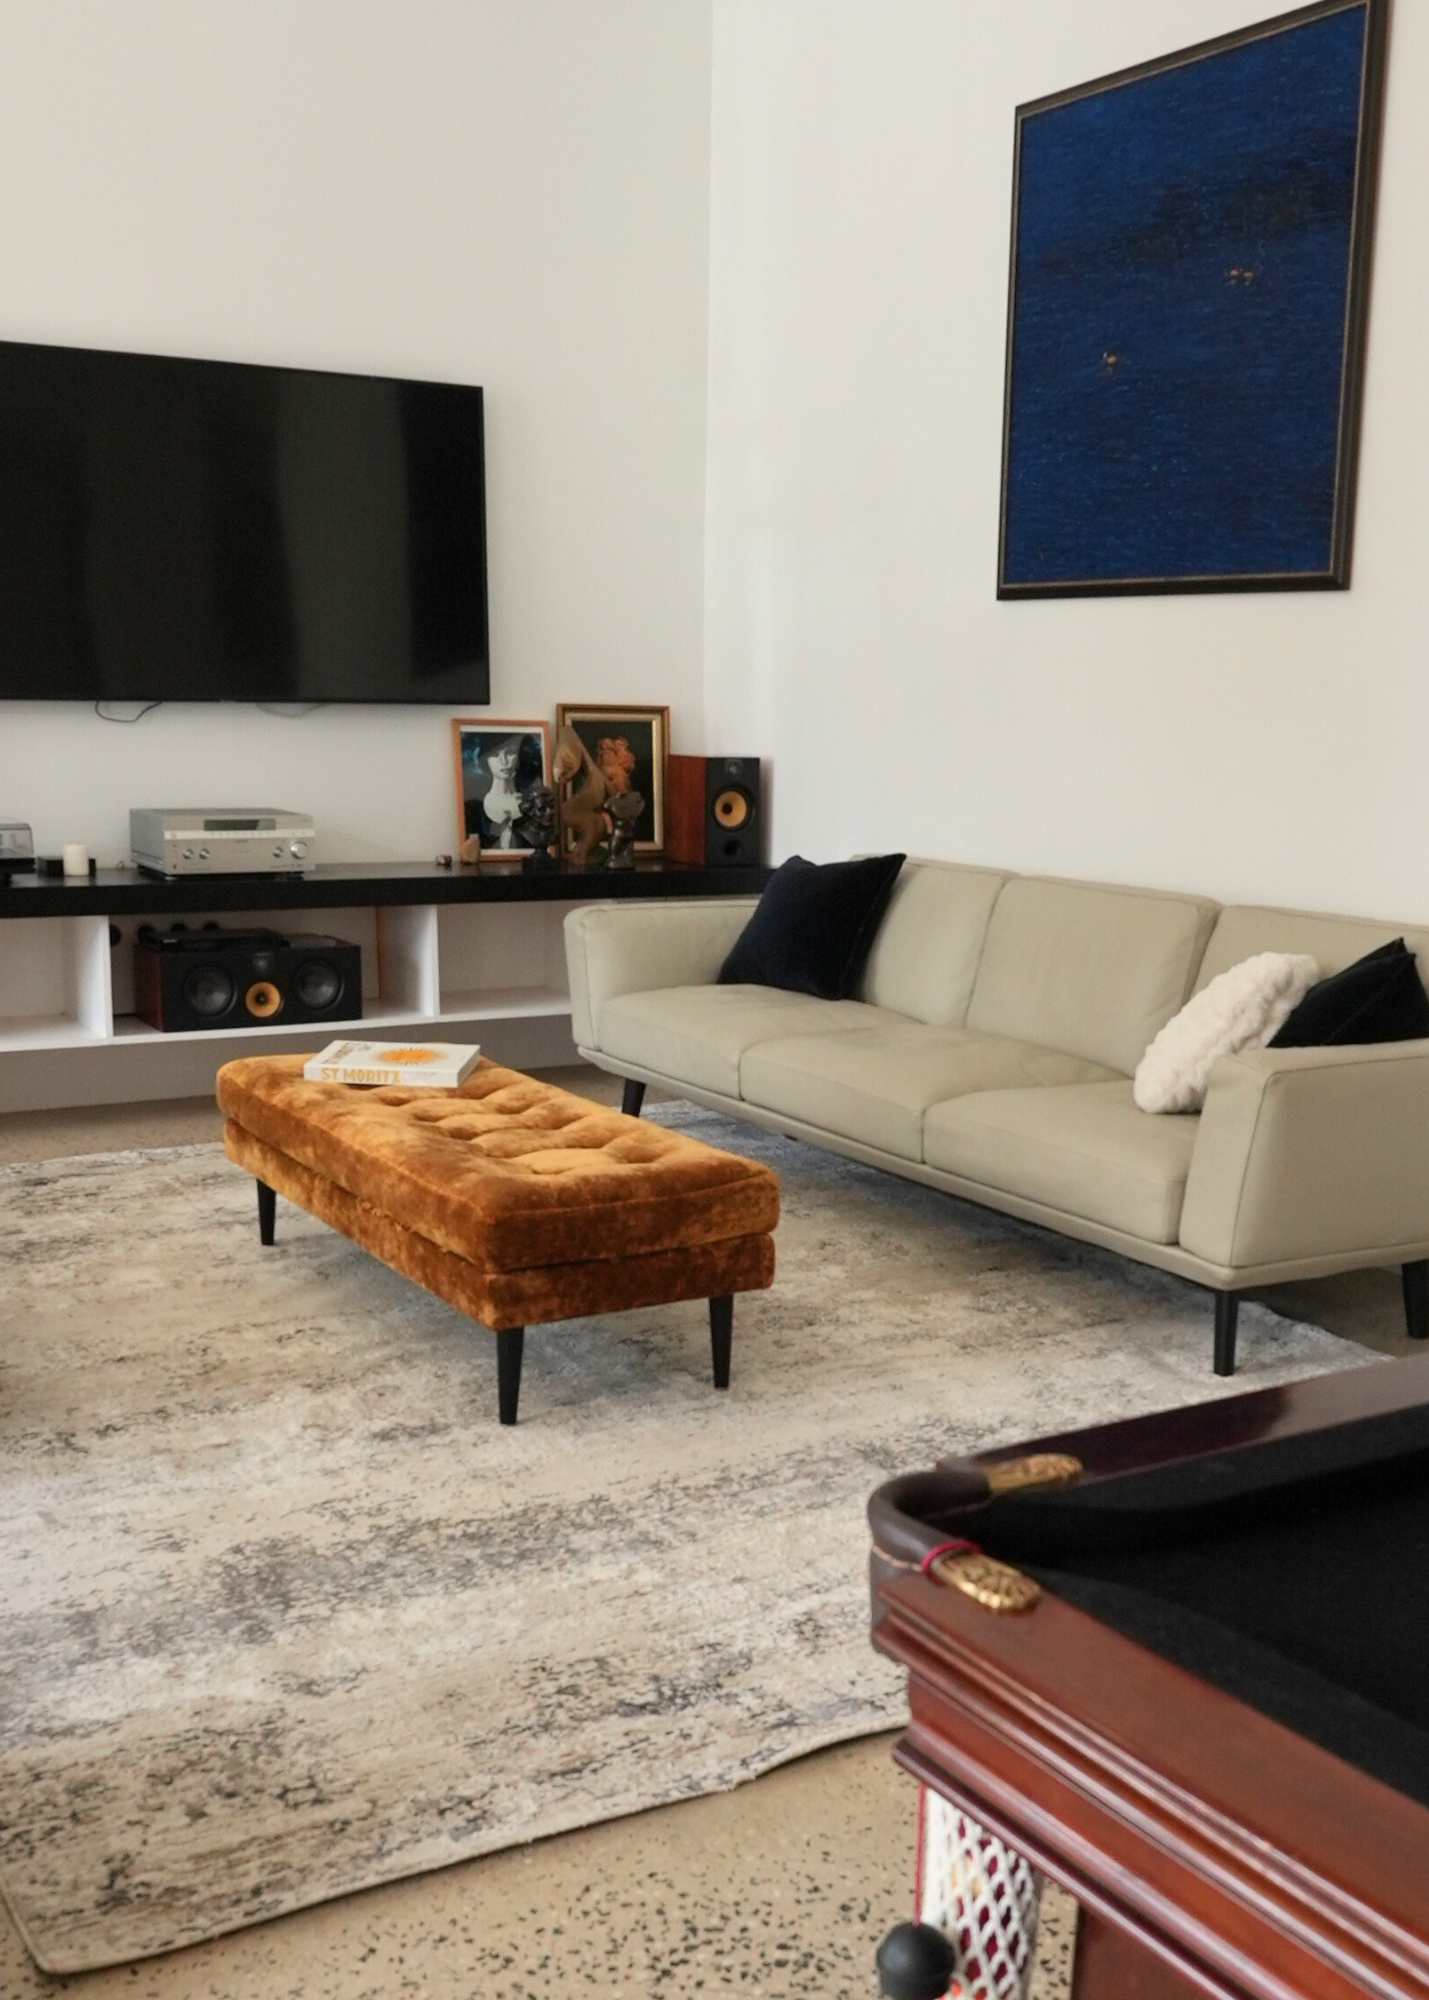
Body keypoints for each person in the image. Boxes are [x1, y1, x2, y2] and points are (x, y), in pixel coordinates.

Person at [466, 735, 530, 849]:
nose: (504, 761)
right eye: (495, 754)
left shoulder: (533, 804)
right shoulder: (474, 807)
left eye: (510, 752)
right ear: (486, 759)